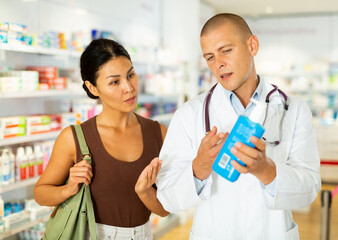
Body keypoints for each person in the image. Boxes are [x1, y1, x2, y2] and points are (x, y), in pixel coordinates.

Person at [156, 13, 321, 239]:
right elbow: (166, 196)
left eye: (226, 50)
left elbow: (310, 188)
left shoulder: (293, 109)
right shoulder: (189, 114)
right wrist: (200, 167)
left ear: (252, 45)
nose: (219, 64)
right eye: (210, 57)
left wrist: (267, 171)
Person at [34, 38, 168, 240]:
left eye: (130, 75)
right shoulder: (74, 138)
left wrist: (145, 192)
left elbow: (164, 210)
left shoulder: (159, 133)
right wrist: (69, 189)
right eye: (115, 81)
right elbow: (40, 193)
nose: (129, 87)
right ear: (92, 88)